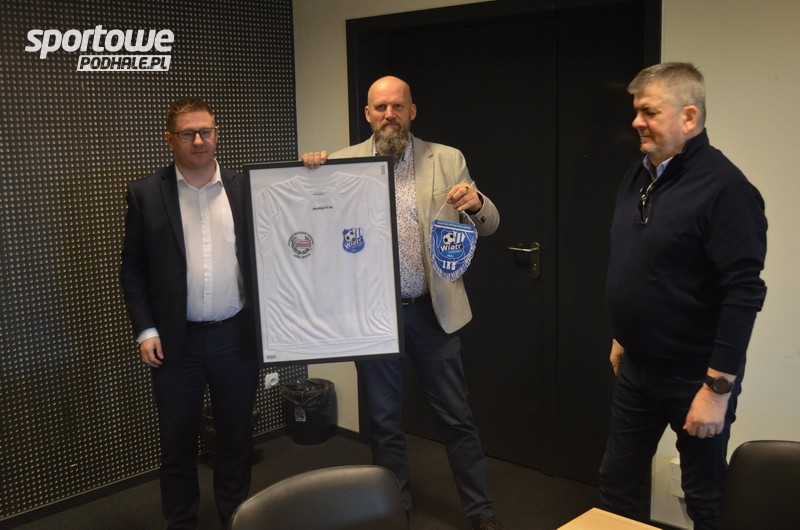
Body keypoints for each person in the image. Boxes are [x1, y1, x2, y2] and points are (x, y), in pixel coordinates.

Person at [302, 75, 503, 530]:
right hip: (374, 315)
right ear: (367, 114)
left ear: (413, 111)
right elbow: (312, 224)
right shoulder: (340, 164)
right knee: (384, 422)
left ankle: (481, 512)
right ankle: (395, 510)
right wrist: (310, 170)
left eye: (398, 106)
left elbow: (489, 224)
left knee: (457, 418)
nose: (389, 114)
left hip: (433, 311)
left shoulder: (447, 159)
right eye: (380, 107)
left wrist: (476, 203)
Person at [599, 62, 767, 530]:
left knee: (705, 499)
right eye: (636, 111)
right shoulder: (640, 175)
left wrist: (716, 391)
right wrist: (623, 334)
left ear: (689, 117)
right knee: (616, 485)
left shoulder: (727, 190)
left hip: (696, 376)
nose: (636, 121)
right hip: (638, 368)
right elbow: (639, 262)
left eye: (649, 112)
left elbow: (744, 293)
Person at [121, 97, 259, 529]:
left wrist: (314, 166)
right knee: (177, 444)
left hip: (236, 337)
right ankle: (181, 522)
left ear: (217, 134)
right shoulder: (146, 193)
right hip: (174, 342)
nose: (199, 141)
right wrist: (145, 330)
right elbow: (133, 269)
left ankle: (235, 519)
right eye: (188, 133)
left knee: (236, 439)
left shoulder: (246, 188)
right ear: (171, 139)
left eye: (206, 131)